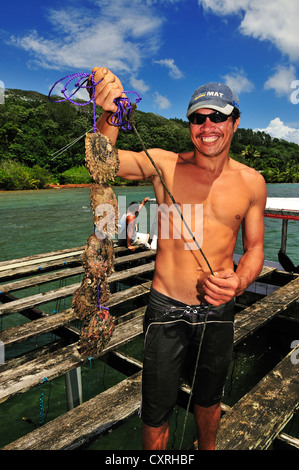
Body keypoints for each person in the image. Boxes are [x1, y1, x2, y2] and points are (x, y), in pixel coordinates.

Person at [90, 67, 267, 450]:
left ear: (235, 122)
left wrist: (238, 282)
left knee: (209, 400)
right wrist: (107, 115)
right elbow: (104, 163)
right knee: (155, 411)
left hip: (218, 312)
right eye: (198, 118)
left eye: (218, 117)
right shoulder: (164, 164)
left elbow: (255, 249)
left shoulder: (253, 181)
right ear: (190, 125)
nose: (208, 126)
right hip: (165, 309)